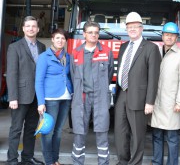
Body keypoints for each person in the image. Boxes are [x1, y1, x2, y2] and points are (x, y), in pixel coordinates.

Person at [114, 12, 161, 165]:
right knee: (120, 132)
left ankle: (135, 163)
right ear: (126, 29)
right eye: (129, 27)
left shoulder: (151, 48)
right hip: (122, 94)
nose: (132, 29)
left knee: (137, 134)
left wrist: (150, 102)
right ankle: (123, 161)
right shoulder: (123, 47)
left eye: (135, 26)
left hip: (139, 98)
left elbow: (154, 77)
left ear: (142, 28)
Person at [70, 21, 114, 165]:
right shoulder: (76, 52)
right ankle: (77, 162)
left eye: (96, 32)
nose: (94, 35)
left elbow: (109, 74)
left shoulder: (106, 51)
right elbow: (73, 74)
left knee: (102, 131)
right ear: (84, 34)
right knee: (79, 130)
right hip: (81, 97)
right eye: (90, 32)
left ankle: (103, 162)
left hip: (100, 97)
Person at [6, 16, 46, 165]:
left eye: (33, 26)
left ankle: (27, 158)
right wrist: (12, 97)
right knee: (16, 129)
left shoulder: (42, 47)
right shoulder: (15, 47)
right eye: (28, 26)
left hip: (36, 96)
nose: (31, 28)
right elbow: (12, 73)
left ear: (38, 29)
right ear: (23, 29)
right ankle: (12, 159)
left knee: (31, 129)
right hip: (20, 96)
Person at [150, 22, 180, 165]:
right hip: (156, 102)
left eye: (172, 35)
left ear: (176, 38)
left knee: (172, 138)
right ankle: (156, 162)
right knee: (156, 136)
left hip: (171, 103)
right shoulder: (155, 52)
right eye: (166, 34)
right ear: (162, 36)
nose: (169, 37)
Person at [35, 28, 73, 165]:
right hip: (51, 98)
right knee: (48, 131)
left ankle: (55, 159)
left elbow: (69, 75)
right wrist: (41, 102)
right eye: (57, 38)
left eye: (63, 38)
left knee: (58, 132)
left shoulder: (68, 57)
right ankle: (49, 161)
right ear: (52, 39)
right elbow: (38, 81)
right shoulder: (44, 57)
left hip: (66, 97)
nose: (60, 41)